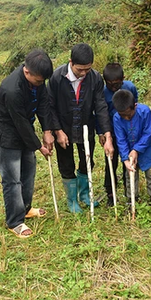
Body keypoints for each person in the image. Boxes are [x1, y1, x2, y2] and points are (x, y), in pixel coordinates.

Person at [0, 49, 55, 238]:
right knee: (12, 179)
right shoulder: (12, 89)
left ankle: (26, 208)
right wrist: (39, 146)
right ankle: (15, 221)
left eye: (42, 81)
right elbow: (19, 123)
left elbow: (43, 103)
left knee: (29, 172)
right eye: (38, 81)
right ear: (27, 72)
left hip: (25, 129)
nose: (40, 84)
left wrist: (47, 131)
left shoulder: (37, 81)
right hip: (8, 133)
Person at [48, 43, 114, 213]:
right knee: (66, 163)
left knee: (87, 160)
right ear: (71, 62)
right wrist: (57, 131)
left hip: (86, 128)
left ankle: (84, 194)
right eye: (80, 70)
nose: (84, 73)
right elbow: (50, 106)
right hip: (63, 129)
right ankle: (72, 201)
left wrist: (105, 132)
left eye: (87, 69)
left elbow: (100, 105)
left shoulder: (95, 78)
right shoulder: (56, 78)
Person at [99, 62, 139, 205]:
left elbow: (136, 108)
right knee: (111, 161)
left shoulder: (130, 87)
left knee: (128, 160)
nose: (114, 88)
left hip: (128, 132)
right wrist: (101, 133)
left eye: (116, 84)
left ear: (123, 78)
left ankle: (130, 192)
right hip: (111, 134)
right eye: (110, 84)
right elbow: (100, 113)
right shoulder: (102, 92)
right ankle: (111, 193)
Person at [112, 89, 151, 207]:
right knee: (130, 175)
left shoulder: (145, 112)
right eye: (123, 115)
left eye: (129, 114)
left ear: (135, 105)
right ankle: (131, 199)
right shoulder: (117, 118)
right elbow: (120, 139)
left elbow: (148, 133)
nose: (126, 118)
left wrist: (136, 150)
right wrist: (125, 159)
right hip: (128, 152)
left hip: (148, 151)